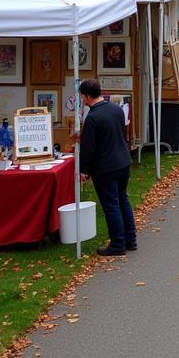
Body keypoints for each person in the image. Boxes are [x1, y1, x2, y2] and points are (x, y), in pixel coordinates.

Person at [78, 78, 136, 257]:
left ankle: (118, 244)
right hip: (123, 161)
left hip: (105, 166)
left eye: (82, 97)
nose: (82, 100)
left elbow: (89, 148)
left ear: (87, 96)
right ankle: (130, 239)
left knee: (111, 205)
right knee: (122, 199)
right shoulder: (116, 109)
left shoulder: (92, 118)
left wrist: (84, 170)